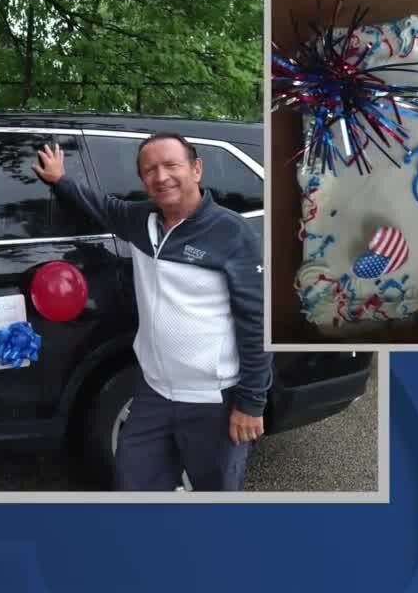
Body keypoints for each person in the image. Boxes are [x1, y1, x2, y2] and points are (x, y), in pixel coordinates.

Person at [32, 133, 271, 491]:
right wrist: (60, 180)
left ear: (196, 169)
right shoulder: (140, 220)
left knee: (216, 492)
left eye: (172, 165)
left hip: (211, 401)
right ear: (143, 179)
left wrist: (252, 402)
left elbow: (256, 322)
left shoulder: (231, 233)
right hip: (152, 394)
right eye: (150, 170)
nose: (161, 177)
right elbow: (102, 206)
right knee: (134, 484)